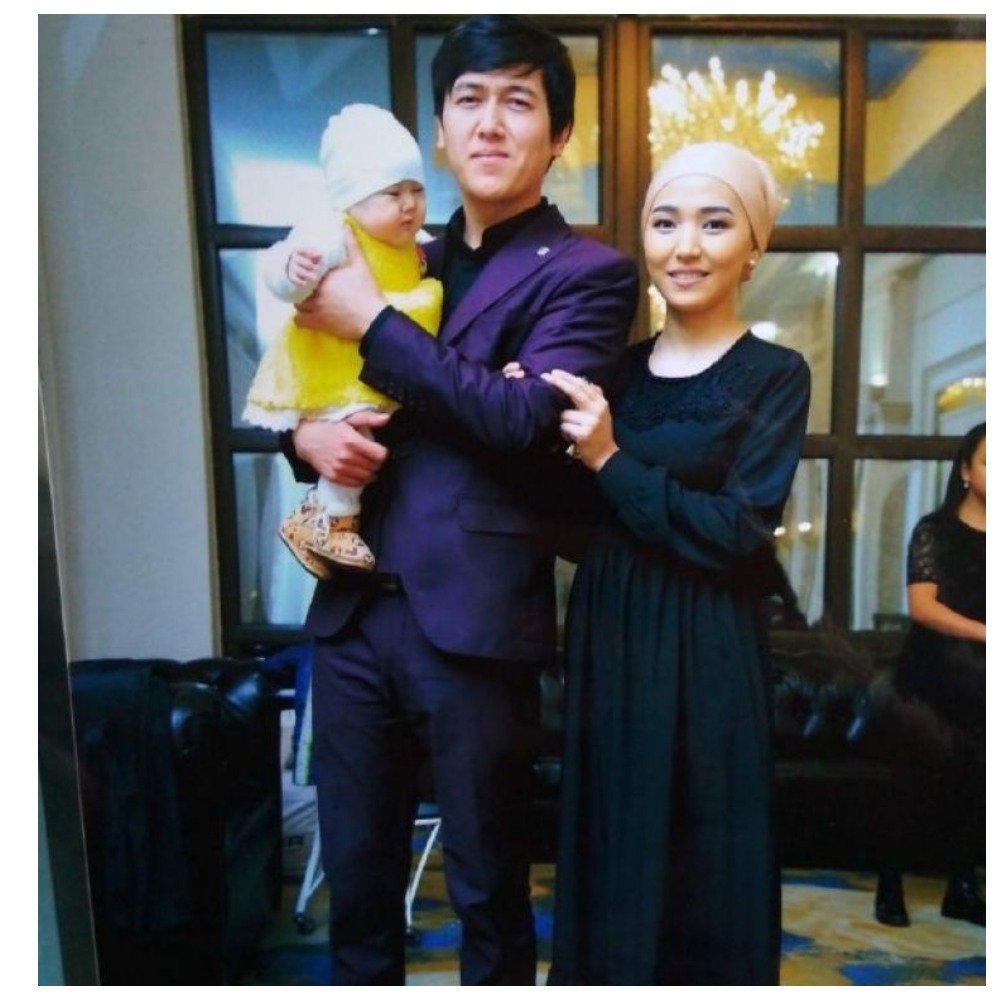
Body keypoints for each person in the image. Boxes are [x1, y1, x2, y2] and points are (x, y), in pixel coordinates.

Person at [282, 14, 639, 985]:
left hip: (476, 621)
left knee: (487, 892)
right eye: (468, 100)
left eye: (517, 101)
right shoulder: (397, 254)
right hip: (351, 613)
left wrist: (375, 327)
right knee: (358, 893)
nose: (489, 123)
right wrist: (301, 439)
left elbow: (523, 423)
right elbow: (313, 378)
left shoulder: (590, 275)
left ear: (558, 136)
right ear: (439, 130)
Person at [539, 142, 811, 984]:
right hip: (610, 632)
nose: (685, 246)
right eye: (665, 223)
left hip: (708, 642)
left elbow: (738, 530)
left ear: (753, 249)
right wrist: (531, 417)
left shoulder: (775, 374)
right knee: (613, 842)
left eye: (714, 223)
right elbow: (577, 526)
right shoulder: (611, 374)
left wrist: (610, 459)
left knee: (706, 857)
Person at [244, 104, 443, 577]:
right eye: (392, 193)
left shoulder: (419, 246)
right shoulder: (335, 233)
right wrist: (292, 272)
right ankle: (330, 521)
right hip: (334, 366)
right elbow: (280, 266)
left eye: (417, 190)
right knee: (355, 432)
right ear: (352, 198)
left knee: (363, 433)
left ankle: (323, 520)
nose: (409, 204)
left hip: (373, 365)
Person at [874, 422, 986, 928]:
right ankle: (889, 885)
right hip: (933, 674)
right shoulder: (933, 529)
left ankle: (961, 888)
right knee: (914, 780)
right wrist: (987, 633)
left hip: (983, 679)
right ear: (965, 470)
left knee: (979, 781)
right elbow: (923, 607)